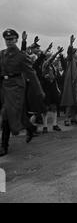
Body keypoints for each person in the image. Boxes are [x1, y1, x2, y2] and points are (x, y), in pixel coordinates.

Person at [0, 29, 45, 157]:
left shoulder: (21, 56)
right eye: (7, 39)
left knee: (6, 114)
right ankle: (30, 127)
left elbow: (32, 73)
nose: (9, 42)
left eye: (11, 39)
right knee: (14, 114)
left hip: (16, 87)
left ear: (16, 40)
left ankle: (4, 146)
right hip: (5, 87)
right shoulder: (1, 54)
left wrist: (39, 91)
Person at [60, 35, 77, 126]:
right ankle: (66, 119)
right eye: (76, 52)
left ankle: (73, 118)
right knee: (70, 102)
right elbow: (69, 52)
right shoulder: (70, 60)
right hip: (71, 84)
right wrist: (71, 43)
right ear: (73, 54)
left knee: (75, 103)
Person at [41, 47, 64, 133]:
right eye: (49, 54)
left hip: (52, 86)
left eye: (51, 53)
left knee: (54, 106)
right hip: (46, 87)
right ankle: (45, 126)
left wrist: (57, 89)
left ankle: (54, 125)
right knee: (46, 107)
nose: (50, 54)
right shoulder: (45, 64)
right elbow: (50, 60)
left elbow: (55, 78)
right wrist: (57, 52)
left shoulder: (52, 66)